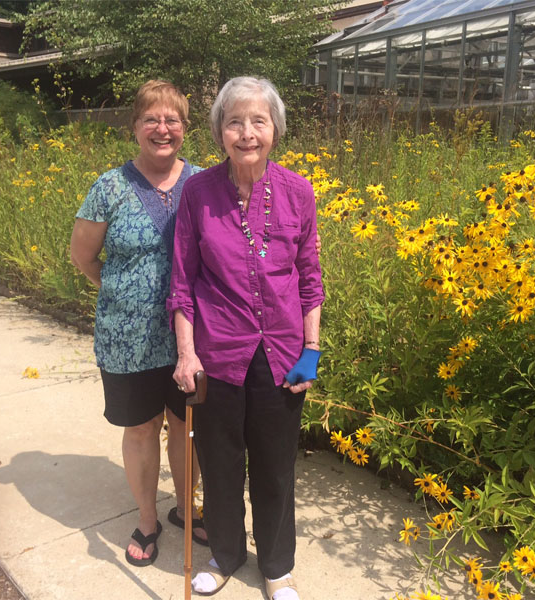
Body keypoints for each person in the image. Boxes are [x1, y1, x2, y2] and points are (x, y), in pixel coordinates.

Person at [168, 76, 324, 600]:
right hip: (217, 353)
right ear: (219, 131)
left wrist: (311, 350)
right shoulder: (198, 192)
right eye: (235, 121)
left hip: (282, 356)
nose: (247, 132)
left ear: (275, 128)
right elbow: (183, 280)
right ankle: (226, 554)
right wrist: (186, 352)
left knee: (276, 467)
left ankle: (277, 567)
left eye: (258, 121)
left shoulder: (298, 191)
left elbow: (309, 277)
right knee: (220, 462)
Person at [70, 79, 207, 567]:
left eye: (172, 119)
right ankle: (148, 520)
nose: (162, 128)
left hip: (190, 336)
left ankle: (187, 511)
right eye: (151, 118)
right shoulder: (109, 186)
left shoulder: (205, 183)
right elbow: (83, 257)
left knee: (185, 425)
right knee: (142, 428)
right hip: (127, 340)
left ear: (185, 130)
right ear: (135, 127)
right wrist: (124, 294)